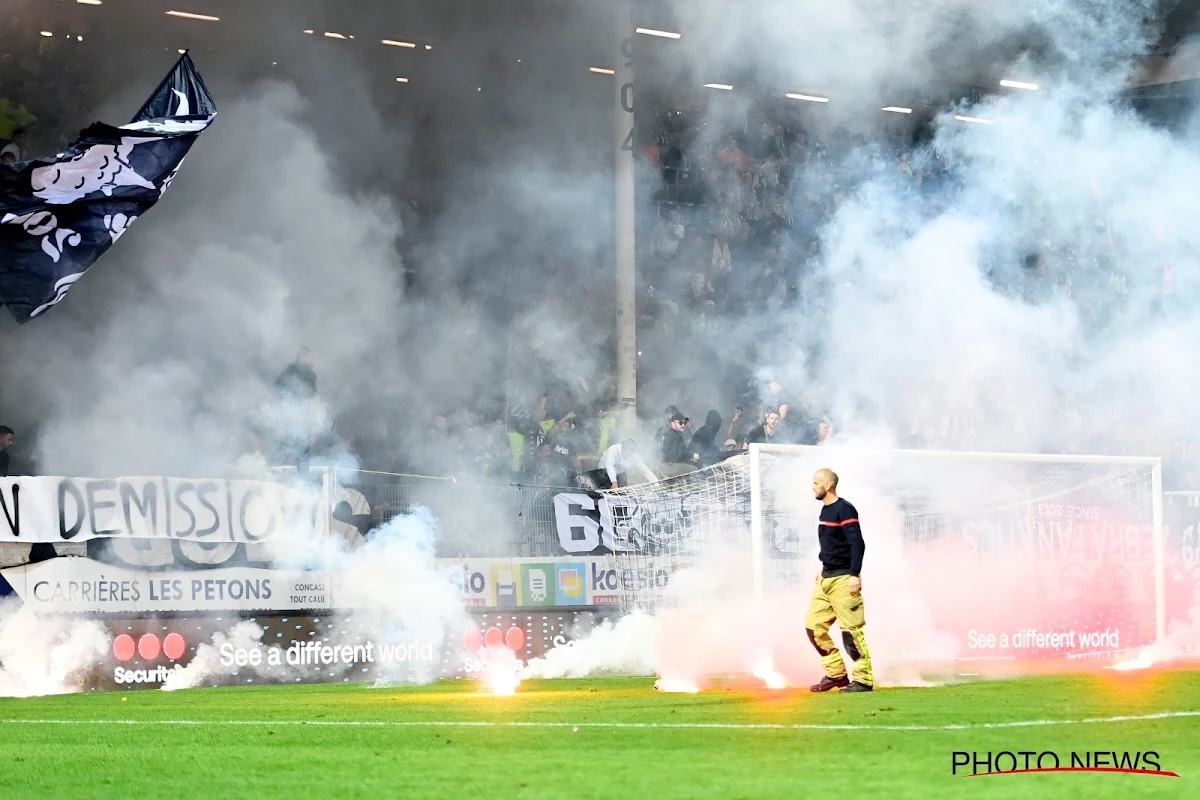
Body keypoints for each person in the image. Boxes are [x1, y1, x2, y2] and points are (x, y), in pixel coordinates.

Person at [807, 469, 873, 693]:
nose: (812, 486)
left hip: (843, 579)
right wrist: (823, 569)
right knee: (813, 628)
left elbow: (857, 543)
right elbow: (833, 546)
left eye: (816, 483)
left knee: (850, 632)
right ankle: (837, 675)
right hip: (826, 578)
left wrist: (854, 574)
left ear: (828, 486)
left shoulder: (844, 509)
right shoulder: (825, 511)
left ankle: (863, 680)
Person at [580, 440, 659, 490]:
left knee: (621, 489)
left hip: (619, 474)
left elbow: (645, 470)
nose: (628, 455)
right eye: (627, 452)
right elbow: (610, 466)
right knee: (603, 489)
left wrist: (656, 483)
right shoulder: (613, 450)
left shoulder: (634, 456)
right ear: (623, 448)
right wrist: (614, 483)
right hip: (604, 471)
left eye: (631, 453)